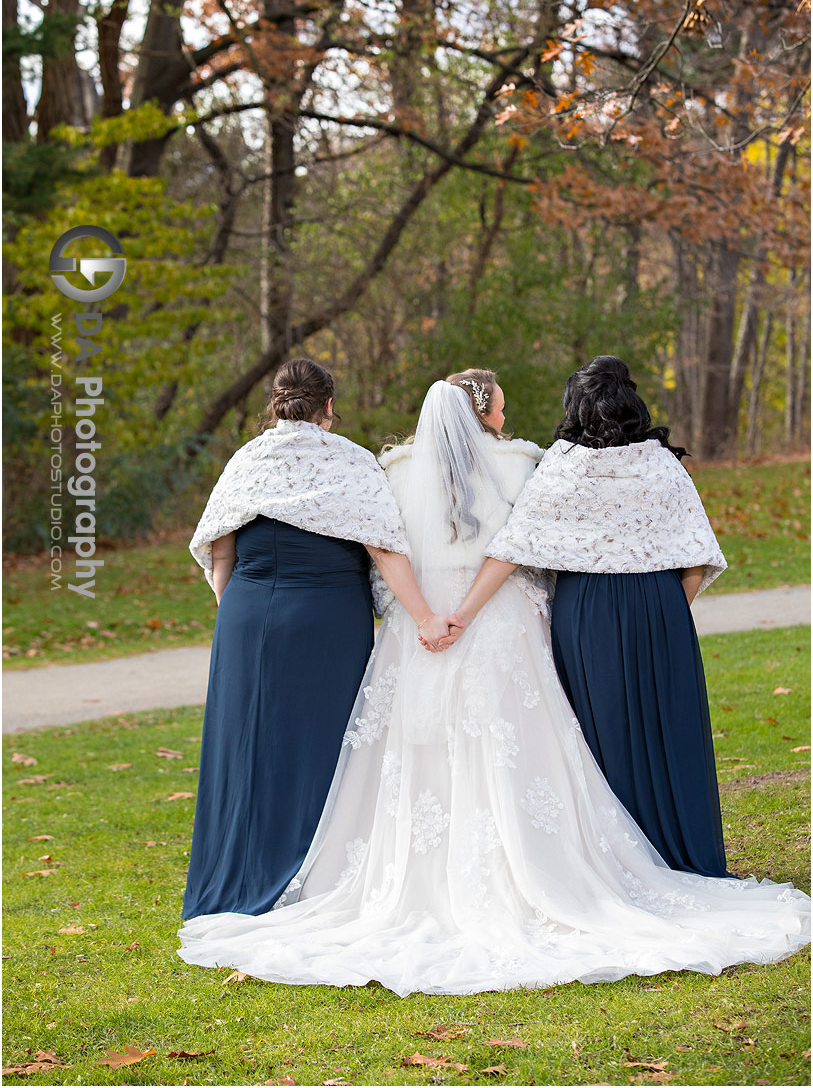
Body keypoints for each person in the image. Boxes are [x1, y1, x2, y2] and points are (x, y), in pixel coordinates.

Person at [178, 372, 809, 995]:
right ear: (485, 412)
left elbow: (386, 546)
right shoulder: (526, 465)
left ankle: (405, 877)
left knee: (418, 748)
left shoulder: (392, 468)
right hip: (496, 616)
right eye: (502, 409)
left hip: (422, 618)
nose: (506, 420)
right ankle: (544, 869)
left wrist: (415, 614)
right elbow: (523, 548)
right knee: (518, 741)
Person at [182, 358, 453, 920]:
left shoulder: (248, 458)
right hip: (328, 614)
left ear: (276, 403)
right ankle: (315, 876)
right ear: (329, 406)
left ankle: (236, 876)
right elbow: (384, 549)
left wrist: (236, 609)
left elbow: (220, 550)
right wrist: (425, 616)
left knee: (246, 745)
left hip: (247, 611)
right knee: (324, 745)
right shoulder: (352, 461)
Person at [455, 355, 731, 877]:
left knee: (595, 733)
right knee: (667, 729)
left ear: (575, 407)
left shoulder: (562, 465)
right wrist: (669, 611)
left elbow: (513, 547)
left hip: (587, 611)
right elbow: (698, 553)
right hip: (658, 604)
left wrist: (462, 613)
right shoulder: (661, 464)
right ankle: (680, 855)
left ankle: (617, 865)